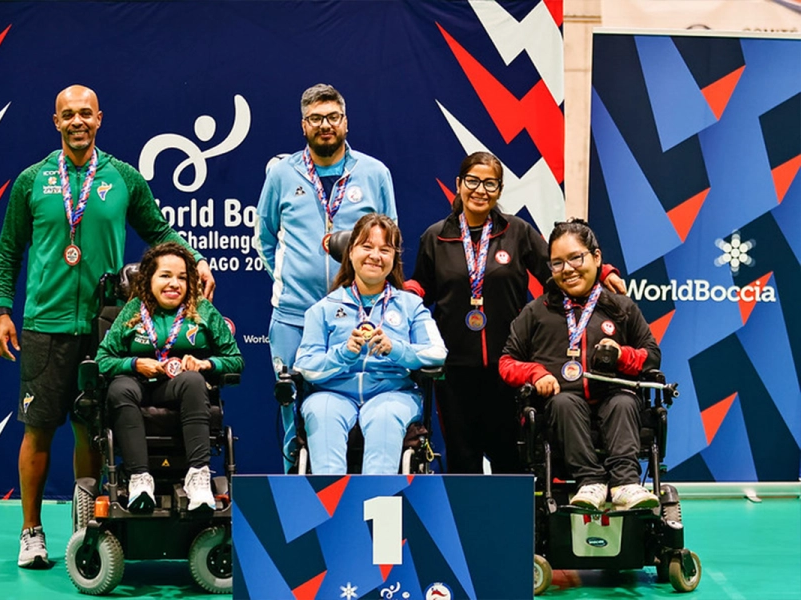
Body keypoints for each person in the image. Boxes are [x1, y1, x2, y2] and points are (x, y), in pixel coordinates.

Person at [0, 84, 215, 568]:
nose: (77, 121)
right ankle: (31, 532)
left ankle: (87, 526)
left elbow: (158, 230)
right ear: (56, 122)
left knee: (91, 431)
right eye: (68, 114)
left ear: (99, 119)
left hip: (105, 328)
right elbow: (9, 249)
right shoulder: (32, 180)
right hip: (45, 325)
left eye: (86, 114)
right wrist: (1, 309)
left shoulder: (122, 177)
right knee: (38, 430)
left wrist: (195, 259)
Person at [407, 152, 624, 474]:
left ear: (499, 190)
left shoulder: (517, 231)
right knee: (462, 453)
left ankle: (512, 508)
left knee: (510, 451)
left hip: (508, 364)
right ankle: (465, 509)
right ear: (459, 184)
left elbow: (558, 267)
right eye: (473, 181)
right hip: (454, 366)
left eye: (490, 184)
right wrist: (401, 293)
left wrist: (603, 271)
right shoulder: (436, 236)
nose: (480, 190)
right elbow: (422, 287)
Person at [254, 83, 398, 471]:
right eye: (316, 118)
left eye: (333, 117)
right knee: (292, 410)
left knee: (356, 405)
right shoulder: (282, 174)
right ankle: (295, 491)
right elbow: (265, 237)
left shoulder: (373, 173)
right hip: (294, 317)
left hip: (358, 316)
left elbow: (389, 239)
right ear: (303, 125)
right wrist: (287, 280)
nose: (325, 125)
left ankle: (357, 492)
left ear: (345, 122)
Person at [499, 219, 660, 511]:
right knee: (564, 403)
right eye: (557, 263)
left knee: (623, 402)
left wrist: (622, 355)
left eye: (576, 258)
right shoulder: (536, 312)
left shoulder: (621, 307)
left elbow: (651, 355)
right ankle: (591, 482)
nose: (568, 269)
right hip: (561, 408)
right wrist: (535, 373)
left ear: (596, 257)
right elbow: (507, 361)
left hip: (613, 399)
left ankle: (625, 483)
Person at [95, 243, 243, 512]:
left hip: (179, 388)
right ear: (149, 279)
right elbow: (103, 360)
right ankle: (140, 480)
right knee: (119, 388)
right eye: (165, 275)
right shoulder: (133, 311)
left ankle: (198, 478)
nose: (174, 283)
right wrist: (135, 363)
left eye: (182, 278)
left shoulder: (202, 311)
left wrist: (206, 364)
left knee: (194, 381)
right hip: (138, 385)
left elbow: (235, 359)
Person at [294, 214, 446, 474]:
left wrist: (395, 349)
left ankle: (377, 499)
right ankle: (330, 499)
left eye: (385, 250)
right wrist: (343, 354)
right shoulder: (323, 309)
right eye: (367, 247)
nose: (375, 256)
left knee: (384, 416)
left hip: (392, 394)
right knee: (323, 412)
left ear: (394, 258)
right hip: (333, 394)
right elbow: (306, 366)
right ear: (351, 252)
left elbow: (437, 353)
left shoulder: (410, 306)